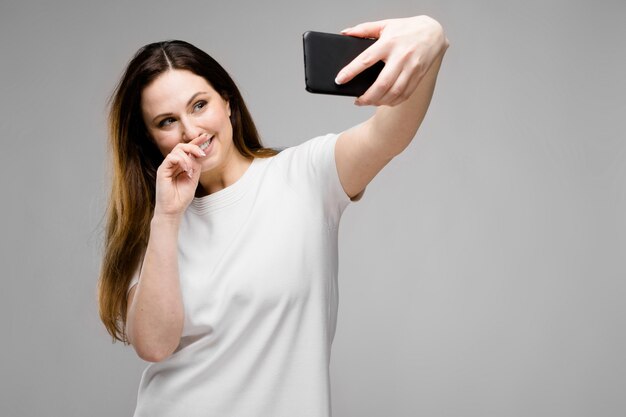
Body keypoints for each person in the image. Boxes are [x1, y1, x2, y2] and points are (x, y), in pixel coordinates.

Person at [98, 14, 449, 417]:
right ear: (150, 139)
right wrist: (168, 216)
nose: (190, 129)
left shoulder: (305, 175)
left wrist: (431, 36)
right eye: (167, 122)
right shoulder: (156, 220)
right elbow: (155, 345)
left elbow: (390, 134)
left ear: (226, 101)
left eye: (199, 105)